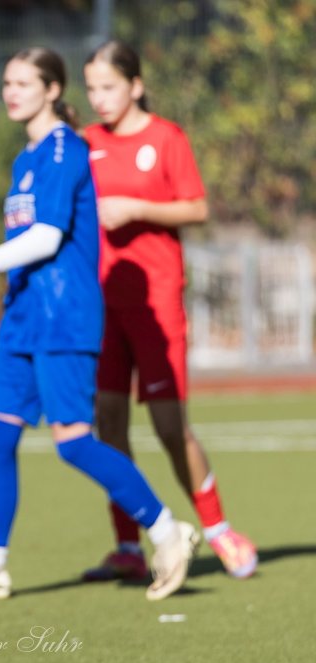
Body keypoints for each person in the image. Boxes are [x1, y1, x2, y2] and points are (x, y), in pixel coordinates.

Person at [0, 47, 199, 603]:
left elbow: (47, 238)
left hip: (64, 315)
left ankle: (169, 533)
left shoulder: (68, 148)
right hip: (23, 316)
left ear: (52, 90)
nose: (11, 91)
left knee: (73, 442)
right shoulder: (25, 157)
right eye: (6, 81)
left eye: (24, 82)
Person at [81, 40, 257, 582]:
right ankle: (129, 546)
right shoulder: (84, 143)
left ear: (135, 85)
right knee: (107, 424)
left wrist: (137, 208)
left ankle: (219, 528)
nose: (99, 98)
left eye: (108, 86)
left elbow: (197, 206)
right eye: (91, 88)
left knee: (169, 426)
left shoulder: (166, 138)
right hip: (100, 306)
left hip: (155, 306)